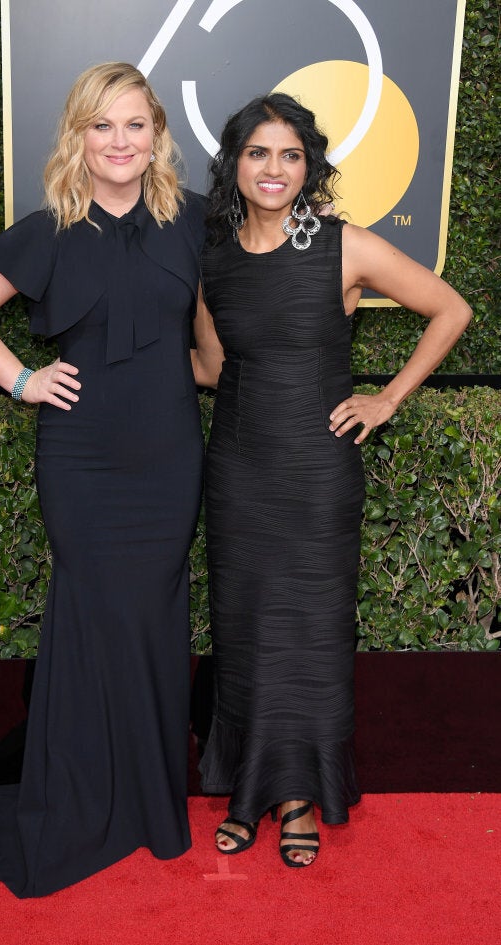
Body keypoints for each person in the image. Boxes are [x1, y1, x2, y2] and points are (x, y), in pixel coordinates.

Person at [0, 62, 207, 898]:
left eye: (135, 125)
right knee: (95, 617)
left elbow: (213, 340)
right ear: (79, 138)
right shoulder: (46, 230)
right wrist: (23, 380)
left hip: (168, 458)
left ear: (158, 134)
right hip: (83, 459)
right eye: (103, 126)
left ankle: (154, 801)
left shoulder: (195, 223)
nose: (120, 141)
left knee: (157, 619)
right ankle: (90, 793)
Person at [190, 93, 471, 867]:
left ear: (308, 165)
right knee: (244, 628)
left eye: (290, 154)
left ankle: (301, 796)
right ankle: (249, 787)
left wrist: (387, 397)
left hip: (317, 470)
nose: (273, 169)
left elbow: (450, 309)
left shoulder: (343, 247)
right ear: (234, 164)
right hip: (239, 469)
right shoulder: (211, 256)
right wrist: (126, 370)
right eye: (258, 153)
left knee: (309, 634)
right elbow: (211, 367)